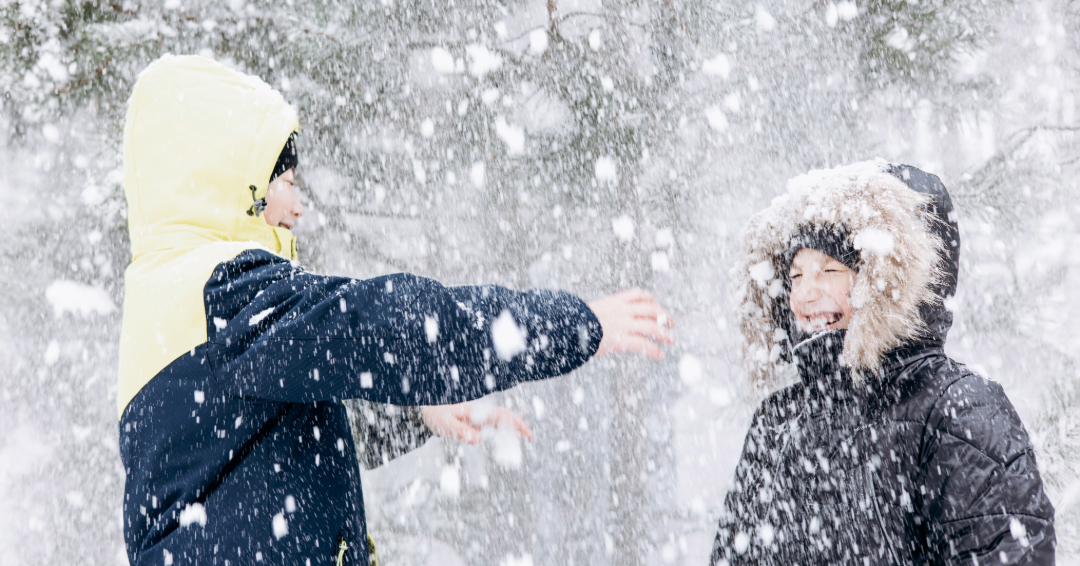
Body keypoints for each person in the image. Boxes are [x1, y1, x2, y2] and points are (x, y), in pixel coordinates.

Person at [117, 55, 673, 566]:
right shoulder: (224, 289)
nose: (299, 204)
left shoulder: (182, 300)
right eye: (285, 180)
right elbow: (386, 325)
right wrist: (568, 327)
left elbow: (260, 450)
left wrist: (416, 414)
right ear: (231, 188)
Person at [710, 162, 1054, 565]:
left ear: (882, 281)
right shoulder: (778, 422)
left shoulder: (958, 411)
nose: (804, 294)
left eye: (829, 270)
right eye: (796, 275)